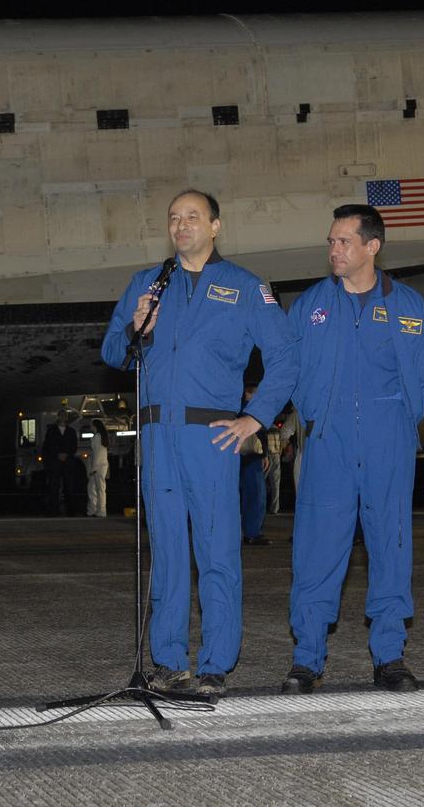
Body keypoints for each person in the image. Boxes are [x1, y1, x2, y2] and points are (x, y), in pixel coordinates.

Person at [101, 189, 298, 697]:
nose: (181, 225)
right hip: (157, 434)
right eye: (173, 218)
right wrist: (138, 327)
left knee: (216, 552)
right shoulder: (147, 284)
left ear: (215, 226)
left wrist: (254, 418)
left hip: (210, 436)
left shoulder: (245, 287)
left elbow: (286, 358)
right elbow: (112, 353)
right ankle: (169, 660)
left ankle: (214, 663)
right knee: (166, 552)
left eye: (192, 217)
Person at [280, 205, 424, 695]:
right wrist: (314, 416)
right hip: (328, 442)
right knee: (316, 550)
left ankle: (389, 656)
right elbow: (289, 370)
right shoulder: (309, 306)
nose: (333, 250)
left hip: (386, 442)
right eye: (331, 241)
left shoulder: (410, 306)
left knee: (391, 546)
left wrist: (394, 420)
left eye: (343, 242)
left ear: (372, 246)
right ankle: (307, 659)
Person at [239, 385, 269, 546]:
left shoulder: (234, 406)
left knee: (237, 495)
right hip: (252, 456)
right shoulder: (256, 409)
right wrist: (264, 455)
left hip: (237, 455)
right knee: (256, 494)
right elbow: (262, 433)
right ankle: (252, 532)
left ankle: (239, 532)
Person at [41, 410, 77, 515]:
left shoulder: (71, 431)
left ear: (67, 417)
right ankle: (54, 510)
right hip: (54, 463)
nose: (63, 417)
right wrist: (57, 454)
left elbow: (74, 446)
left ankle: (70, 511)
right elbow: (47, 446)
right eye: (61, 415)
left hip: (68, 463)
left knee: (69, 487)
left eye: (65, 416)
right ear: (58, 417)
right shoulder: (51, 431)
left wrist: (66, 454)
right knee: (54, 487)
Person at [87, 418, 110, 517]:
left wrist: (93, 468)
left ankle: (99, 510)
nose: (90, 427)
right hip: (102, 464)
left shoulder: (97, 437)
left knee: (96, 488)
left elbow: (96, 453)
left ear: (95, 426)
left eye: (91, 425)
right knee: (98, 488)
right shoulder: (101, 437)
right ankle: (97, 509)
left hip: (98, 466)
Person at [264, 420, 285, 515]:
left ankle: (261, 506)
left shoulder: (264, 428)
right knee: (276, 484)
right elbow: (282, 443)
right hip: (276, 455)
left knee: (261, 482)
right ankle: (274, 508)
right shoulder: (277, 429)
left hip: (266, 456)